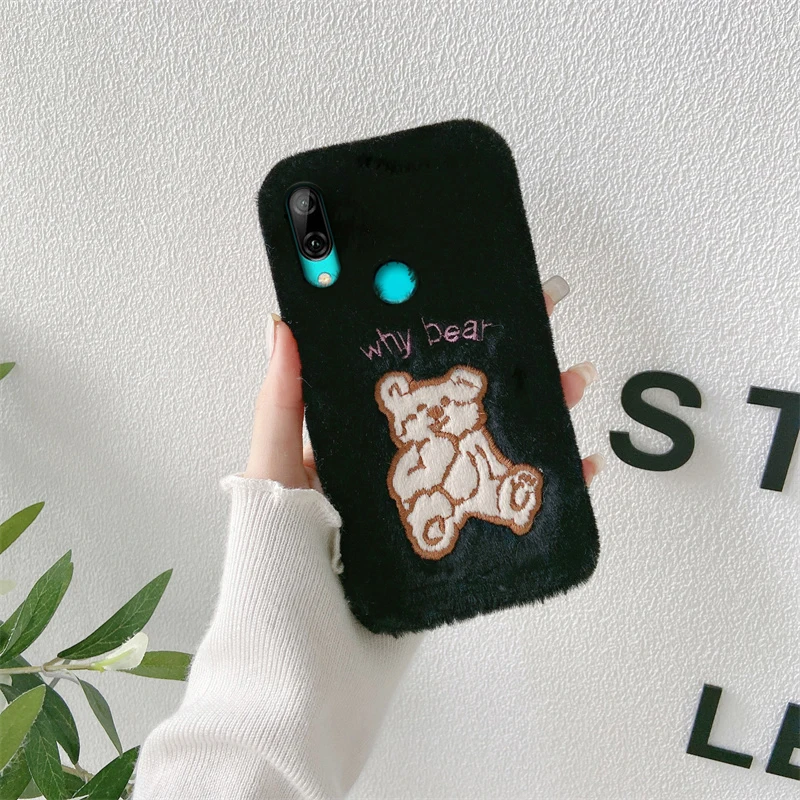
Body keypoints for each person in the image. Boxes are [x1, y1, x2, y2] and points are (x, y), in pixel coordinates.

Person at [130, 276, 603, 799]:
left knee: (505, 467)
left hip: (480, 482)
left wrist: (273, 713)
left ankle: (503, 498)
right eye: (421, 415)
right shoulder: (415, 458)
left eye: (441, 410)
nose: (433, 419)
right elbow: (405, 481)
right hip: (437, 502)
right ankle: (446, 517)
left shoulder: (467, 429)